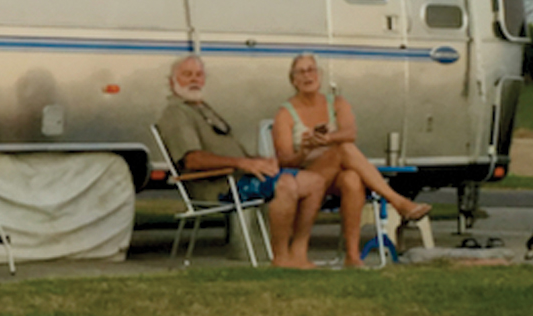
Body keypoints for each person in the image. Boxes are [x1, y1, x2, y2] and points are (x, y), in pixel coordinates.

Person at [156, 54, 337, 269]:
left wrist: (259, 161)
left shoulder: (201, 108)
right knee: (286, 184)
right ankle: (280, 257)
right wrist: (242, 163)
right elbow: (192, 159)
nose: (194, 79)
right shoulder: (176, 113)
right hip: (219, 186)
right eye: (187, 75)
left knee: (315, 182)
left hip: (240, 176)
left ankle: (298, 252)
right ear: (172, 82)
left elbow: (232, 153)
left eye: (198, 74)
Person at [273, 53, 432, 267]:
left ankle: (352, 256)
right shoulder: (285, 113)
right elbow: (284, 160)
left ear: (320, 75)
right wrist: (305, 150)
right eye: (301, 72)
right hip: (306, 176)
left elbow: (350, 132)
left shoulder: (336, 103)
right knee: (343, 149)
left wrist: (327, 139)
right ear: (293, 80)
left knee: (352, 178)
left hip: (334, 176)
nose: (307, 76)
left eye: (311, 70)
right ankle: (397, 201)